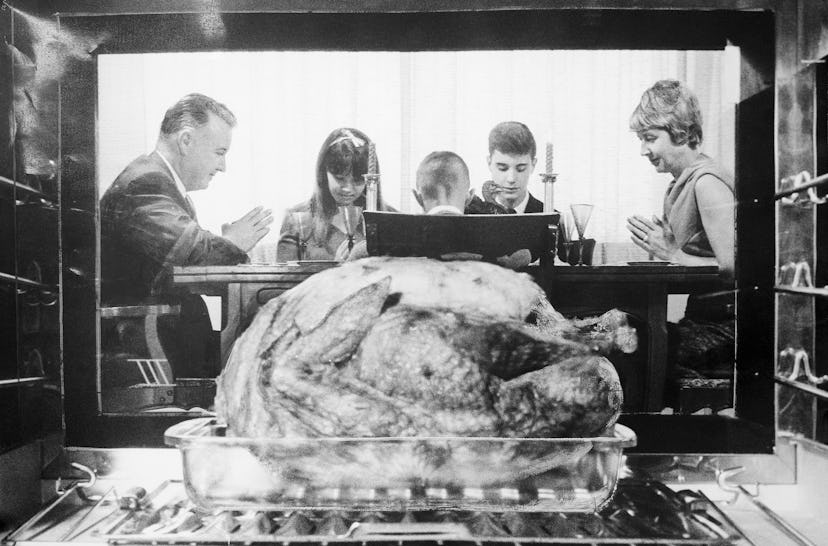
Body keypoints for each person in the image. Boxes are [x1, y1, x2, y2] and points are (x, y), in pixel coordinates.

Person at [100, 93, 273, 378]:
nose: (223, 166)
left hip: (155, 340)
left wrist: (224, 244)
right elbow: (190, 255)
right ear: (186, 141)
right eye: (219, 152)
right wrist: (231, 243)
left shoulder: (159, 181)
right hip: (140, 351)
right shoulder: (147, 183)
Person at [626, 79, 735, 391]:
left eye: (649, 138)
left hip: (728, 328)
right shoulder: (680, 183)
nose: (644, 150)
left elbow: (733, 268)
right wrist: (664, 249)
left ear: (682, 133)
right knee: (626, 335)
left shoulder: (706, 183)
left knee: (633, 348)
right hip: (703, 321)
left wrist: (672, 254)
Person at [277, 127, 393, 262]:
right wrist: (334, 269)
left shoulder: (389, 219)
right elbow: (285, 281)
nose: (348, 189)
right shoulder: (298, 219)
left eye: (357, 181)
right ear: (323, 174)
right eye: (340, 178)